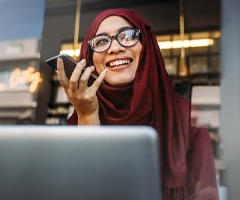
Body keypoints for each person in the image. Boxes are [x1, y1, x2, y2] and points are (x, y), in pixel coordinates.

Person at [56, 8, 218, 200]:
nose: (115, 48)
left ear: (147, 46)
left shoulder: (187, 118)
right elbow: (82, 192)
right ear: (90, 59)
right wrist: (87, 115)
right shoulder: (78, 121)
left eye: (127, 36)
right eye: (101, 41)